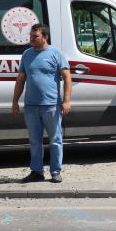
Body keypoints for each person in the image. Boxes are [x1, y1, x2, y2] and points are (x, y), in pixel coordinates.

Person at [12, 24, 72, 183]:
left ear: (45, 37)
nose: (31, 39)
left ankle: (55, 171)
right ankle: (37, 171)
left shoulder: (56, 54)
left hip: (51, 105)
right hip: (31, 106)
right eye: (30, 36)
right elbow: (21, 79)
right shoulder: (27, 54)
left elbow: (67, 78)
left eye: (35, 36)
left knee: (55, 140)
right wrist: (15, 101)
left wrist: (66, 101)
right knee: (35, 141)